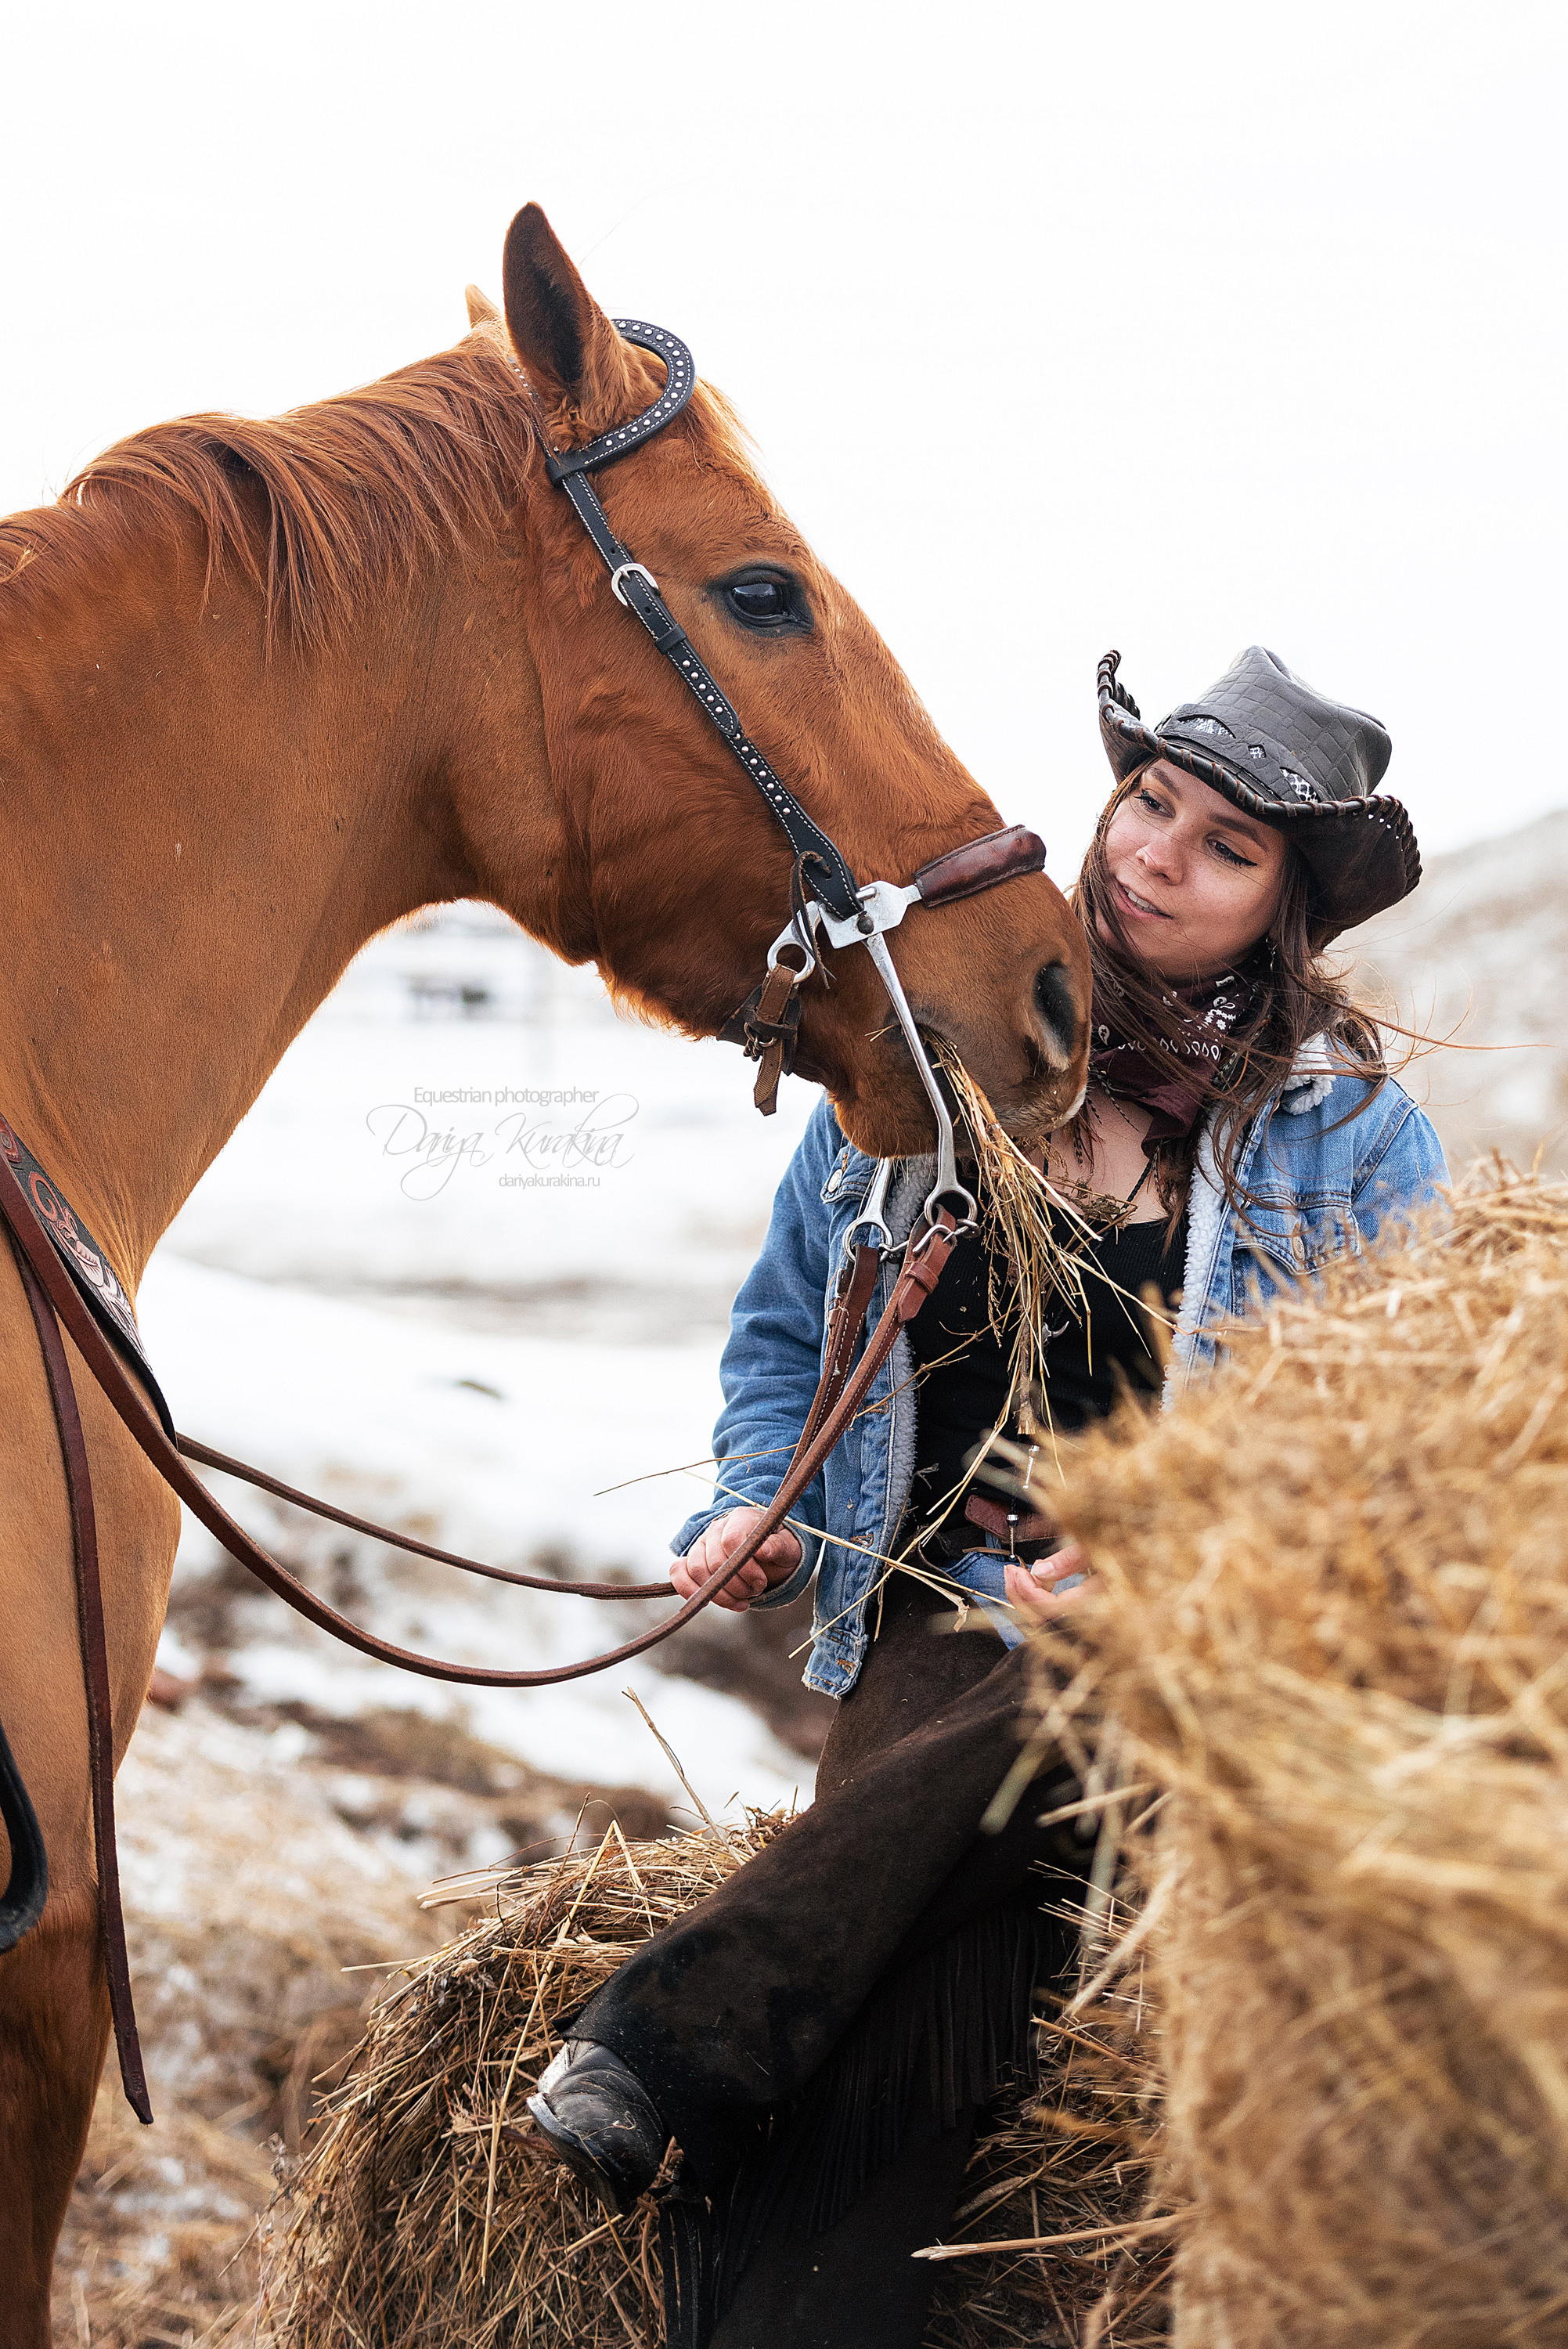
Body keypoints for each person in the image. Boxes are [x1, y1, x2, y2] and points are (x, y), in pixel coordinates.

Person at [529, 648, 1447, 2349]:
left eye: (1222, 847)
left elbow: (1390, 1439)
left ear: (1284, 914)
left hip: (1188, 1658)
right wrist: (763, 1506)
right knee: (937, 2030)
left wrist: (1182, 1544)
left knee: (1082, 1699)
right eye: (1149, 803)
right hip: (941, 1632)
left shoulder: (1355, 1143)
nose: (1153, 854)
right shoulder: (937, 1049)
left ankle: (675, 2044)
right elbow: (788, 1331)